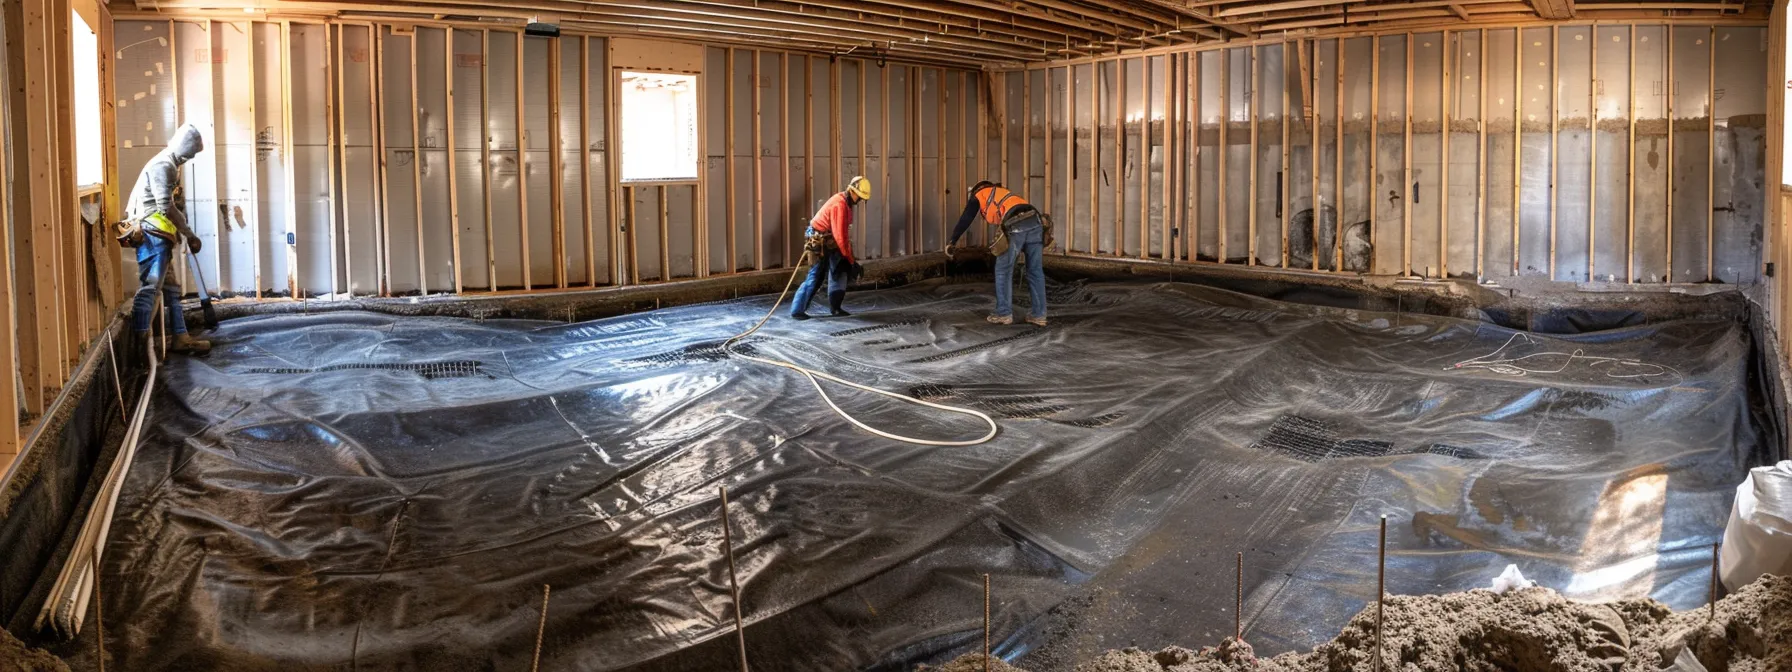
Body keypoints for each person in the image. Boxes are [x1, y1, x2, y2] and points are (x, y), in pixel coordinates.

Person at [125, 123, 210, 355]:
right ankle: (140, 350)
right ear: (184, 147)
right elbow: (165, 206)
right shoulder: (164, 165)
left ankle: (181, 337)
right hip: (153, 234)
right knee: (151, 288)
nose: (190, 157)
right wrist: (188, 233)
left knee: (171, 288)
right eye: (191, 152)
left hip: (160, 233)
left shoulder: (168, 163)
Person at [945, 181, 1048, 326]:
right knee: (1035, 271)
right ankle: (1039, 316)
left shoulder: (979, 195)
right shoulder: (1003, 193)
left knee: (1003, 270)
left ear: (977, 190)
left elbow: (966, 219)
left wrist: (952, 241)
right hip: (1036, 222)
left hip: (1015, 223)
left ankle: (1003, 313)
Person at [790, 176, 870, 320]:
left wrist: (848, 260)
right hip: (819, 238)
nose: (859, 201)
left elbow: (842, 236)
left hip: (829, 238)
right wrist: (852, 261)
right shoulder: (839, 205)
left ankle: (836, 308)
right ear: (852, 191)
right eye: (860, 197)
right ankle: (797, 310)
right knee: (817, 275)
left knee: (839, 269)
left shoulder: (845, 203)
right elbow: (841, 237)